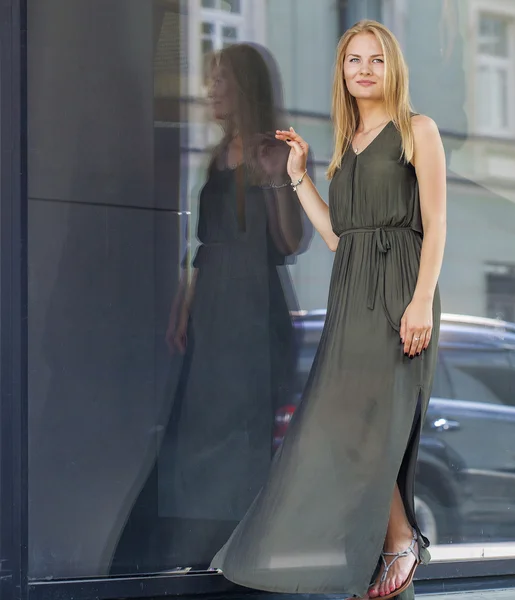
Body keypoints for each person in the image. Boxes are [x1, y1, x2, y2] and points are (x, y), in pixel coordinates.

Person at [210, 19, 446, 600]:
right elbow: (341, 237)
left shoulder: (418, 129)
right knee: (346, 425)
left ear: (392, 69)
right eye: (352, 60)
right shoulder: (346, 145)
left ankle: (397, 542)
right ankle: (395, 541)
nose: (363, 70)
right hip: (352, 291)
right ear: (342, 72)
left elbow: (437, 223)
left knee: (375, 426)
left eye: (375, 60)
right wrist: (298, 179)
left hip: (400, 291)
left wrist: (420, 301)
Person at [110, 42, 309, 573]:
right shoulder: (218, 154)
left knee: (239, 439)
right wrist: (185, 303)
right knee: (193, 434)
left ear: (245, 86)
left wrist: (276, 179)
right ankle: (187, 555)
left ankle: (233, 557)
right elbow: (205, 244)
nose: (210, 89)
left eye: (220, 78)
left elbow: (290, 243)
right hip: (214, 309)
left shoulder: (274, 151)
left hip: (254, 311)